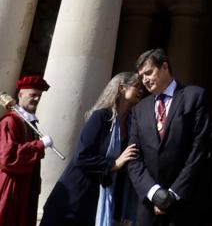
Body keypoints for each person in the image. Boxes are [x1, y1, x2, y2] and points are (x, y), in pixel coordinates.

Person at [41, 72, 145, 225]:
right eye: (137, 87)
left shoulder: (131, 125)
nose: (141, 91)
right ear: (122, 88)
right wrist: (114, 164)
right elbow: (81, 157)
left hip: (98, 201)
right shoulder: (101, 117)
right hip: (74, 198)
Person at [127, 48, 210, 226]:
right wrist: (154, 192)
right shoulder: (139, 109)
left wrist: (173, 193)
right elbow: (133, 157)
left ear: (164, 67)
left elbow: (199, 149)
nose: (145, 80)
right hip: (148, 207)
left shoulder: (194, 96)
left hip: (184, 204)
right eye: (142, 76)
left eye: (148, 72)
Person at [0, 75, 54, 226]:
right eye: (33, 95)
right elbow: (7, 158)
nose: (36, 99)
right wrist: (39, 145)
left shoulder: (29, 123)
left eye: (39, 96)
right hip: (7, 187)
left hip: (23, 187)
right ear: (20, 95)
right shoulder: (9, 122)